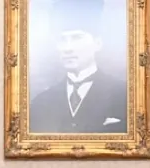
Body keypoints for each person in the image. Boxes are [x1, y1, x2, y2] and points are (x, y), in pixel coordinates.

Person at [29, 0, 127, 134]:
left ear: (98, 43)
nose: (67, 48)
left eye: (77, 38)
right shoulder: (40, 103)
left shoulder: (123, 95)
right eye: (62, 40)